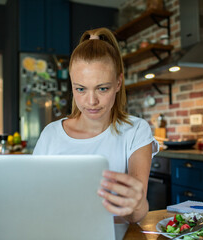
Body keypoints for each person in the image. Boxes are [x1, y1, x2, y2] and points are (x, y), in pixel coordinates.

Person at [33, 27, 159, 223]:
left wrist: (137, 204)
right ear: (72, 85)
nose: (91, 101)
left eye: (102, 88)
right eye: (81, 89)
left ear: (118, 83)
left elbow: (136, 214)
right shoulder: (51, 135)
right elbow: (35, 202)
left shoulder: (136, 131)